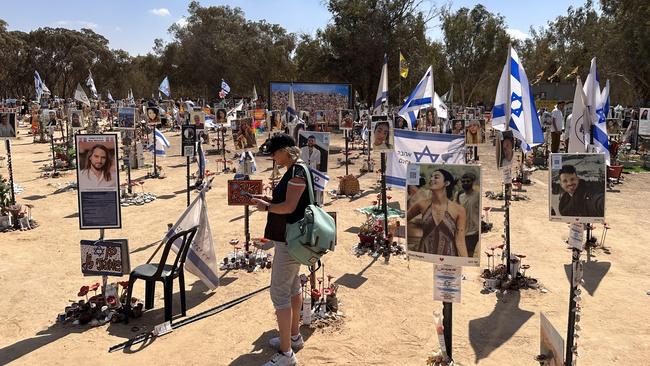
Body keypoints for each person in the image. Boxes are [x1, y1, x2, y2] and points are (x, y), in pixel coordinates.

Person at [252, 134, 311, 366]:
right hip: (291, 238)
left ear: (286, 151)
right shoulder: (296, 169)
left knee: (279, 293)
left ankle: (287, 354)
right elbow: (284, 200)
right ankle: (294, 336)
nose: (274, 158)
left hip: (289, 239)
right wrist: (267, 199)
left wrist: (267, 207)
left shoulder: (296, 171)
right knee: (293, 286)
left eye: (275, 153)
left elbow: (288, 206)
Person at [407, 169, 468, 257]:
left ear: (446, 183)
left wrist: (466, 262)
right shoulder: (422, 205)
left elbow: (460, 241)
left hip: (448, 257)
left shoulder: (459, 210)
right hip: (425, 255)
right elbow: (403, 220)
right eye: (431, 177)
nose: (431, 179)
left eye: (436, 177)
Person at [456, 172, 480, 257]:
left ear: (472, 182)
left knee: (469, 255)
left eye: (468, 181)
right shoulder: (460, 196)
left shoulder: (477, 195)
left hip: (474, 231)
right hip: (462, 231)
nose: (465, 183)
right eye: (463, 181)